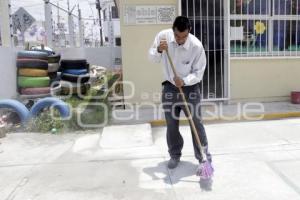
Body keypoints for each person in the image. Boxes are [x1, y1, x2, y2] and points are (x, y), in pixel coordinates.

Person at [148, 16, 212, 169]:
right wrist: (158, 50)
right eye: (177, 36)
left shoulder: (196, 46)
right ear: (173, 30)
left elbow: (199, 72)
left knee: (196, 123)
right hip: (169, 87)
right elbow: (151, 58)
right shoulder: (163, 37)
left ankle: (203, 158)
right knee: (171, 124)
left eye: (184, 37)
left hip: (190, 89)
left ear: (189, 31)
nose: (180, 40)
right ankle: (174, 155)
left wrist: (184, 80)